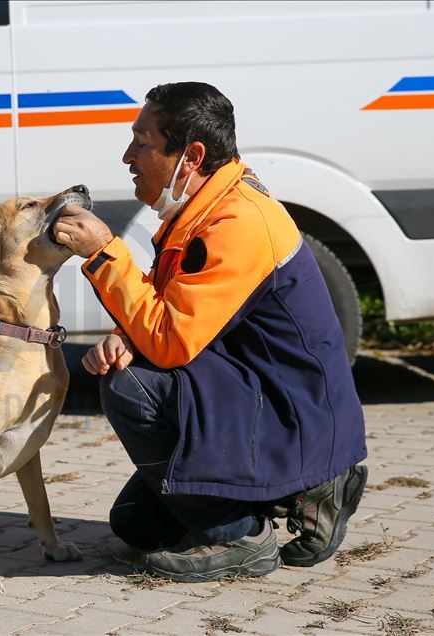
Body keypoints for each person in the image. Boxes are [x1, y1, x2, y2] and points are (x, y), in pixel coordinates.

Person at [52, 82, 368, 582]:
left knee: (130, 386)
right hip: (251, 393)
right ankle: (301, 490)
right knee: (136, 524)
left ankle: (244, 534)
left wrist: (102, 253)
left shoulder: (237, 223)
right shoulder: (206, 207)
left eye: (143, 142)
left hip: (289, 415)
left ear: (192, 155)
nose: (128, 156)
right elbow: (177, 309)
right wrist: (128, 336)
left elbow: (172, 341)